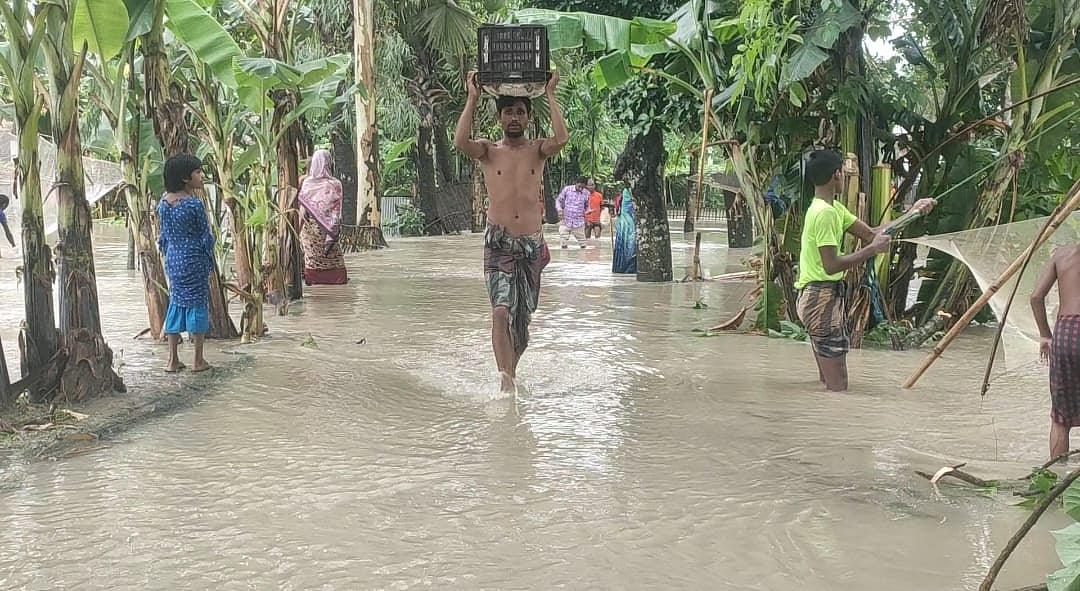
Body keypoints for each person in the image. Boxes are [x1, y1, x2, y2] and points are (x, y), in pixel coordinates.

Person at [454, 69, 568, 393]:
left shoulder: (538, 150)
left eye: (520, 112)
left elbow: (562, 139)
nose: (514, 117)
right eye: (508, 112)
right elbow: (460, 141)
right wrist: (472, 97)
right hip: (499, 242)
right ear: (500, 117)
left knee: (522, 323)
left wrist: (550, 93)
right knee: (501, 311)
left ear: (528, 118)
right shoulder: (489, 151)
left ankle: (511, 373)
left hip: (531, 244)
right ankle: (505, 381)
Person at [794, 149, 935, 391]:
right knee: (839, 387)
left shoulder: (831, 208)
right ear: (836, 175)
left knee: (826, 384)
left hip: (818, 299)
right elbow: (831, 266)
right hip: (821, 300)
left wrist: (913, 213)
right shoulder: (825, 214)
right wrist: (872, 251)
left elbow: (872, 234)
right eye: (843, 172)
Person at [157, 154, 215, 373]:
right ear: (185, 178)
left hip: (173, 259)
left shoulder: (163, 203)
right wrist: (210, 251)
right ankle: (198, 360)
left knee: (176, 303)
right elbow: (204, 236)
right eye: (198, 173)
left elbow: (162, 236)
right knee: (198, 305)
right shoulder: (194, 205)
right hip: (193, 259)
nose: (201, 177)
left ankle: (172, 360)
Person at [1031, 245, 1080, 461]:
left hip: (1067, 333)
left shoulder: (1062, 254)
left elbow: (1036, 297)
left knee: (1060, 418)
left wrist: (1045, 335)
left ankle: (1055, 481)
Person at [297, 149, 349, 285]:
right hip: (330, 230)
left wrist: (296, 231)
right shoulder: (336, 183)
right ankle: (337, 280)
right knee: (334, 257)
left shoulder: (307, 183)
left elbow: (302, 209)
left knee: (312, 257)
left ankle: (313, 280)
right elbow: (337, 211)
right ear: (329, 163)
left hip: (309, 228)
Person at [555, 176, 590, 249]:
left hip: (579, 221)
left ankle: (582, 259)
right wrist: (559, 210)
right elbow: (558, 200)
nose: (581, 189)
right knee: (563, 242)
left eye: (583, 187)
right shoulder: (567, 189)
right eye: (579, 186)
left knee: (583, 244)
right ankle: (564, 258)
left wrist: (588, 211)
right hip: (566, 220)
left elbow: (587, 206)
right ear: (576, 183)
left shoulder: (586, 193)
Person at [612, 183, 637, 274]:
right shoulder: (630, 191)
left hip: (627, 221)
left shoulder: (628, 191)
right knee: (630, 243)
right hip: (628, 222)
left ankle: (625, 268)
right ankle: (628, 269)